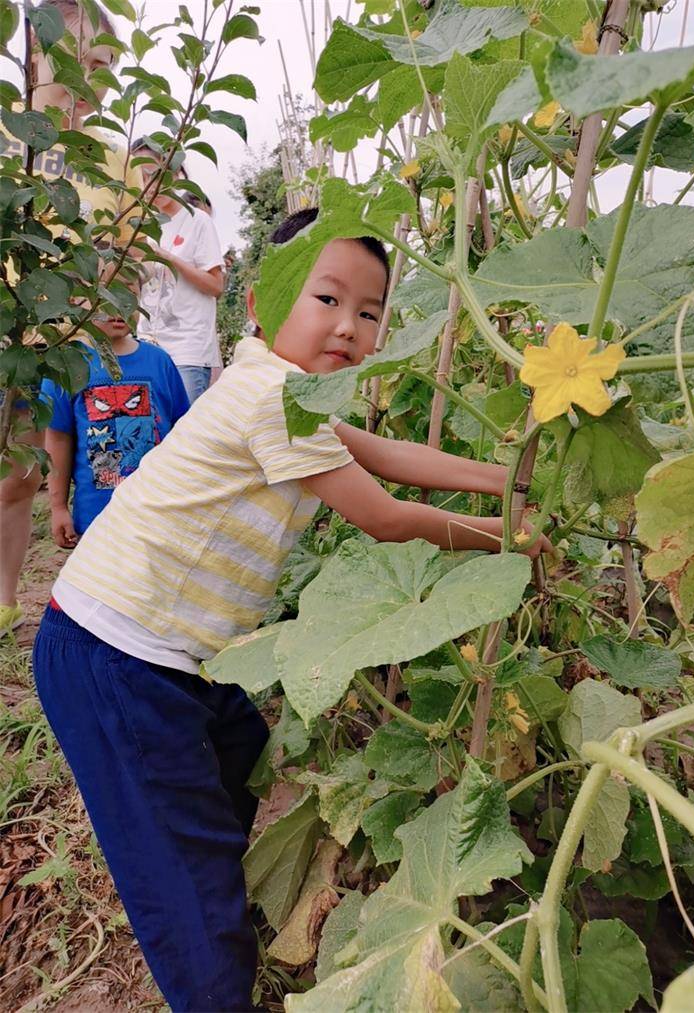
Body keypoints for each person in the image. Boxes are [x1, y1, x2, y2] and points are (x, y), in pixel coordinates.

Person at [32, 209, 552, 1012]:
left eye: (370, 310)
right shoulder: (270, 394)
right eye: (326, 298)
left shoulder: (285, 391)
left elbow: (387, 453)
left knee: (242, 758)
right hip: (116, 653)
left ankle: (210, 897)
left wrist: (505, 476)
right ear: (261, 306)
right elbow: (382, 512)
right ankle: (213, 982)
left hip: (163, 652)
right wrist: (506, 534)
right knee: (187, 875)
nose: (348, 326)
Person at [0, 0, 143, 635]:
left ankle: (40, 601)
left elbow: (120, 254)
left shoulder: (105, 159)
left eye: (104, 71)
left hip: (66, 349)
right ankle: (4, 596)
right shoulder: (5, 134)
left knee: (56, 476)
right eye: (78, 64)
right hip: (8, 334)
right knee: (14, 476)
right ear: (34, 55)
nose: (90, 85)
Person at [41, 307, 189, 548]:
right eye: (108, 293)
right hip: (96, 518)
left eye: (128, 292)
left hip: (158, 512)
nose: (117, 308)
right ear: (81, 300)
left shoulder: (159, 361)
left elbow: (182, 432)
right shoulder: (66, 365)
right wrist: (58, 507)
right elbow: (58, 438)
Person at [132, 142, 225, 403]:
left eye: (155, 175)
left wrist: (167, 258)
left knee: (184, 434)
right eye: (141, 178)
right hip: (147, 345)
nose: (150, 185)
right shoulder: (140, 226)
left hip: (188, 351)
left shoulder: (198, 221)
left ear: (175, 174)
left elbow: (216, 286)